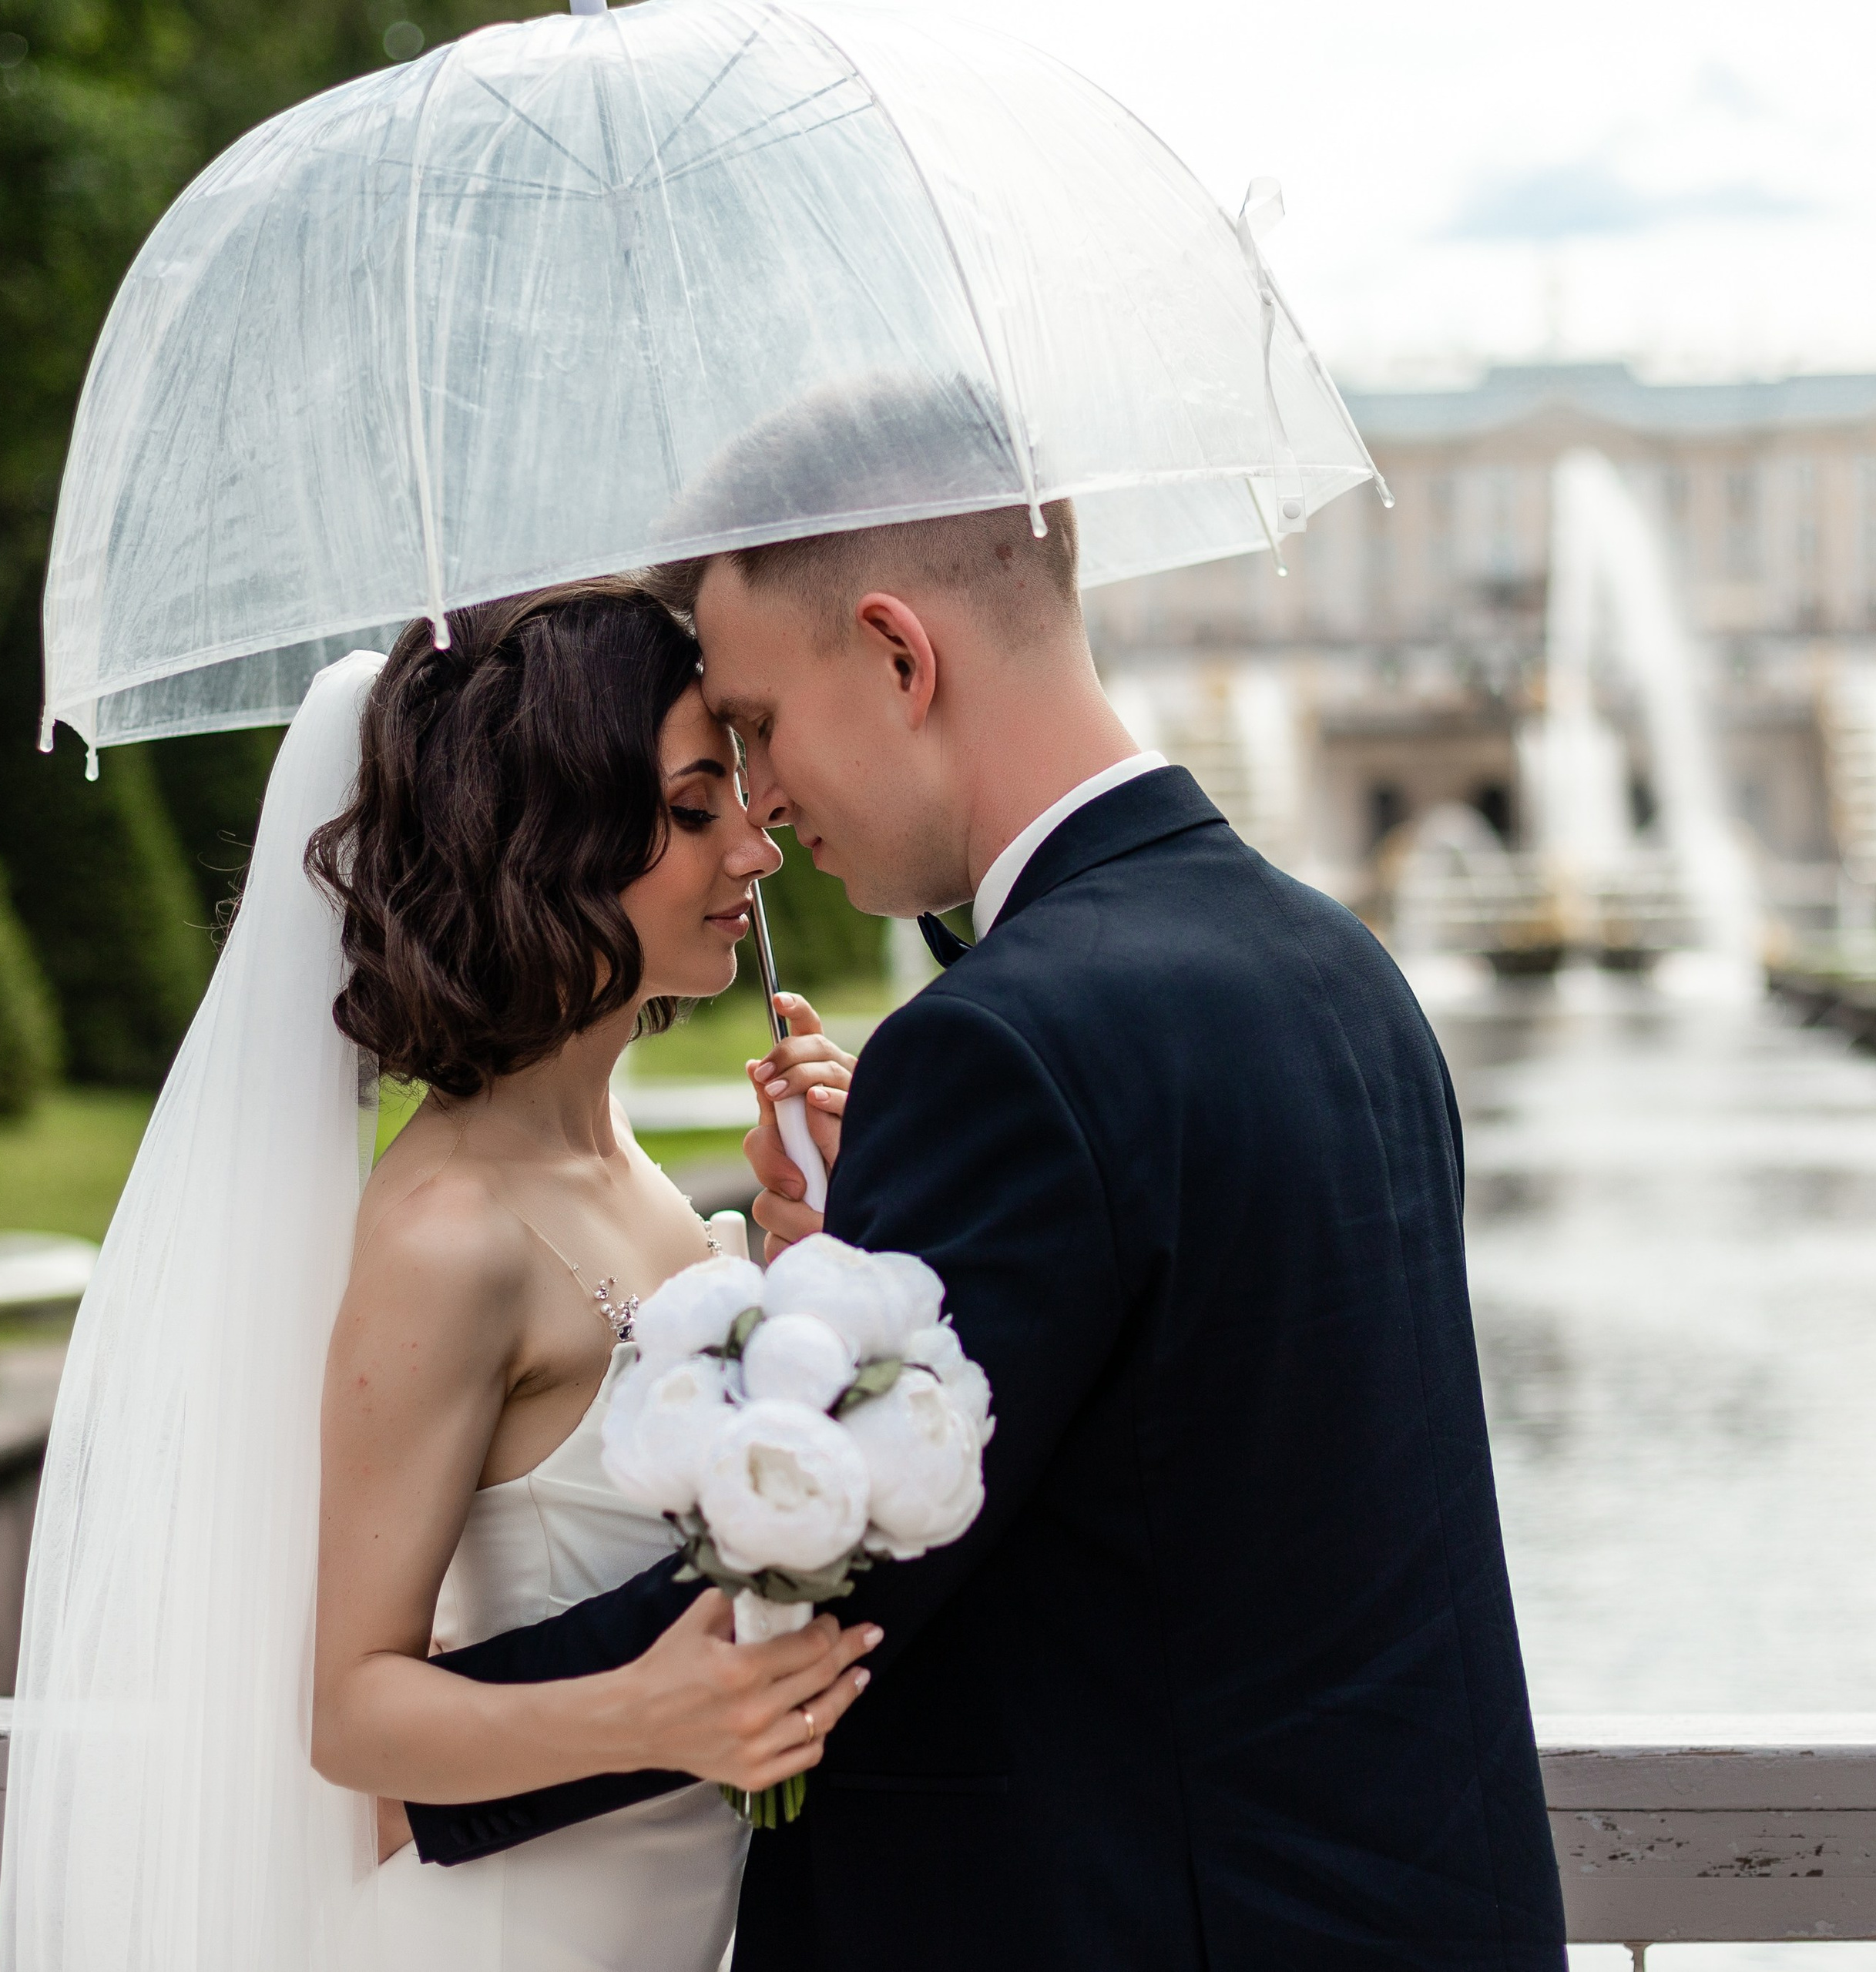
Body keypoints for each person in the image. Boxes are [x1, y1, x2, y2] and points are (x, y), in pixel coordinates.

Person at [403, 511, 1569, 1970]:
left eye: (758, 723)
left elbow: (829, 1572)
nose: (762, 797)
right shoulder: (1336, 964)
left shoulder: (1010, 1044)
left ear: (898, 654)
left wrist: (404, 1764)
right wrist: (848, 1259)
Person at [0, 575, 874, 1972]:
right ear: (558, 837)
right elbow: (354, 1717)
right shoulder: (450, 1235)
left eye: (744, 796)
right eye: (697, 805)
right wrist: (656, 1715)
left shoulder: (624, 1160)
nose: (757, 852)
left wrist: (813, 1236)